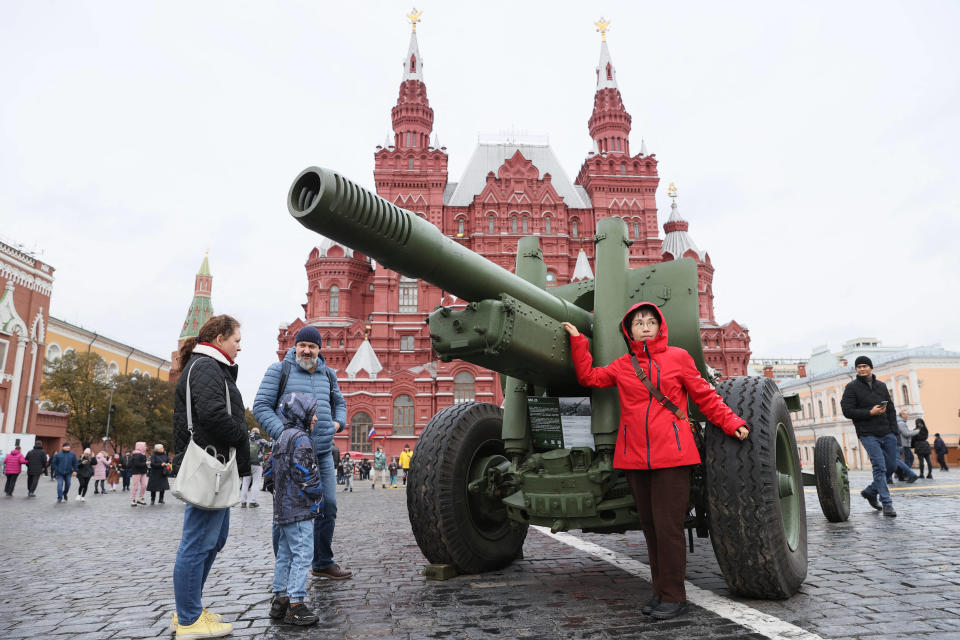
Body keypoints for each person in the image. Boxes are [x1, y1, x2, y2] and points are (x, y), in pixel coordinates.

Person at [563, 303, 749, 620]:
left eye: (651, 321)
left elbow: (705, 396)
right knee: (650, 528)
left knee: (669, 529)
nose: (645, 326)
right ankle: (659, 591)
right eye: (639, 323)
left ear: (660, 327)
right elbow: (590, 377)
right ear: (629, 330)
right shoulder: (623, 365)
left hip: (673, 457)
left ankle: (675, 596)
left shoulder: (678, 358)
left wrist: (732, 422)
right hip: (635, 458)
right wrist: (579, 341)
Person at [171, 314, 250, 639]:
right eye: (236, 339)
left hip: (215, 465)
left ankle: (191, 607)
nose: (239, 346)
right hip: (209, 463)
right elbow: (213, 414)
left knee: (211, 541)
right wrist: (243, 434)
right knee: (197, 543)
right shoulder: (206, 366)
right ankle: (188, 619)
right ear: (219, 337)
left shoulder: (210, 366)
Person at [253, 325, 351, 581]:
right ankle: (282, 571)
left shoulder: (328, 374)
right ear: (295, 346)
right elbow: (261, 406)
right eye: (303, 346)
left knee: (328, 506)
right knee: (285, 514)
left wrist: (338, 423)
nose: (307, 351)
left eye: (312, 347)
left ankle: (322, 561)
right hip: (289, 456)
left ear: (320, 349)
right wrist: (286, 436)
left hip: (322, 453)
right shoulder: (279, 370)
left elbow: (339, 402)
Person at [268, 393, 324, 626]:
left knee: (285, 554)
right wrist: (317, 493)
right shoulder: (301, 439)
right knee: (302, 555)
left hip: (282, 508)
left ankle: (279, 600)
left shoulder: (280, 437)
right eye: (313, 414)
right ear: (302, 414)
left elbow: (269, 473)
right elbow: (305, 471)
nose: (316, 419)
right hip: (298, 507)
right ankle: (296, 604)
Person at [840, 356, 899, 516]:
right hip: (867, 434)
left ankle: (870, 491)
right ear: (856, 369)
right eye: (859, 366)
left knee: (892, 467)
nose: (862, 369)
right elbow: (847, 411)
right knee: (879, 467)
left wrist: (894, 432)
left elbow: (891, 410)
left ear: (871, 368)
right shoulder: (851, 388)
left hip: (887, 432)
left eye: (865, 366)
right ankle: (887, 504)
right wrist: (869, 412)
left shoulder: (881, 386)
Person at [241, 427, 270, 508]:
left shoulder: (246, 440)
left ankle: (243, 502)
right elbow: (271, 445)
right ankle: (253, 502)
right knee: (256, 483)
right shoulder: (261, 440)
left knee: (245, 483)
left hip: (247, 463)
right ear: (258, 432)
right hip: (257, 463)